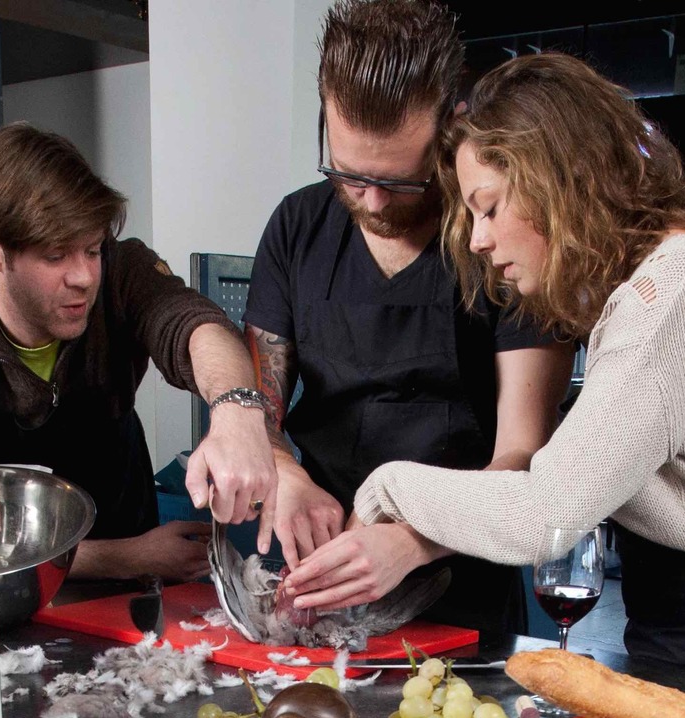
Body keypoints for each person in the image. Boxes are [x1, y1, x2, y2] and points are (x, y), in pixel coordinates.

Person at [280, 53, 685, 684]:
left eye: (490, 207)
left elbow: (543, 517)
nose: (478, 240)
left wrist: (386, 486)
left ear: (559, 181)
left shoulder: (672, 294)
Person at [244, 0, 570, 633]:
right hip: (319, 572)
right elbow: (260, 406)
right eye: (348, 175)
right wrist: (285, 472)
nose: (371, 202)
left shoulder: (504, 237)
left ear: (452, 126)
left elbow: (524, 458)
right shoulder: (296, 226)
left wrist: (411, 540)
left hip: (463, 580)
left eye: (400, 182)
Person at [0, 124, 276, 583]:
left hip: (125, 526)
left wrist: (236, 411)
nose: (84, 278)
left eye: (91, 250)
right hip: (7, 587)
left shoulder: (120, 270)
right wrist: (130, 557)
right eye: (55, 256)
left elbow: (194, 325)